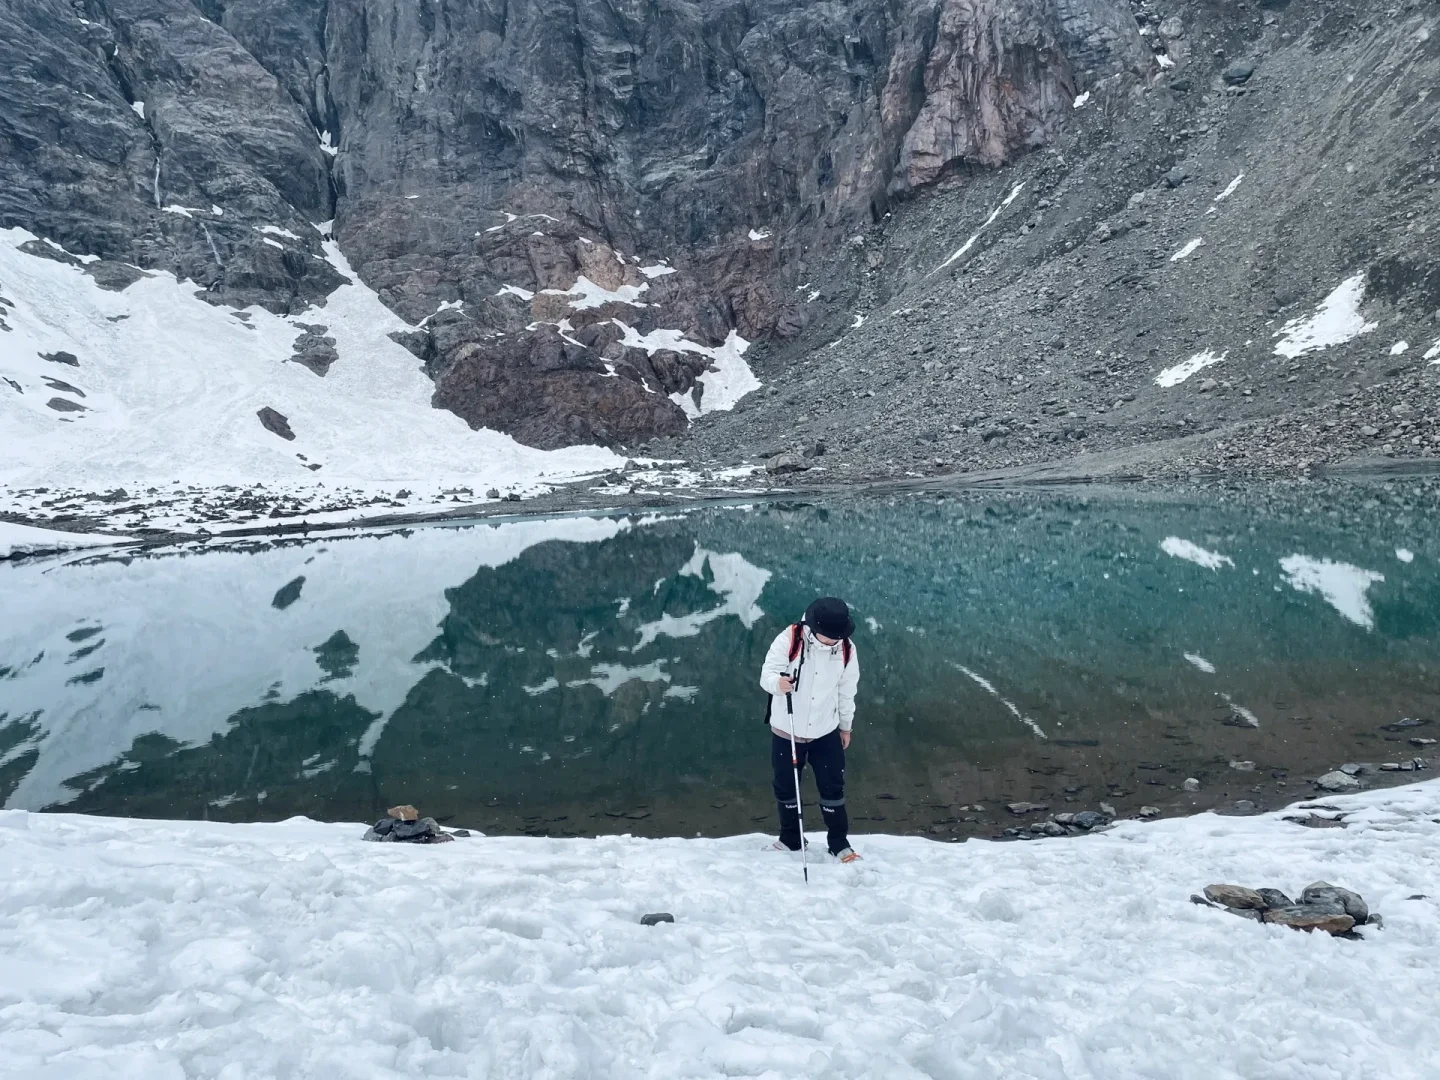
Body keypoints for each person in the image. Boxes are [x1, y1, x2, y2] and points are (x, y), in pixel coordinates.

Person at [759, 596, 861, 863]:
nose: (835, 640)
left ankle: (839, 843)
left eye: (839, 635)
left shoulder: (847, 650)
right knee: (786, 786)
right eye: (830, 636)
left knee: (832, 787)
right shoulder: (789, 639)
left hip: (825, 731)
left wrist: (846, 727)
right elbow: (767, 674)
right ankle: (790, 839)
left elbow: (846, 691)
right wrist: (777, 684)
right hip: (787, 730)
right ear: (815, 627)